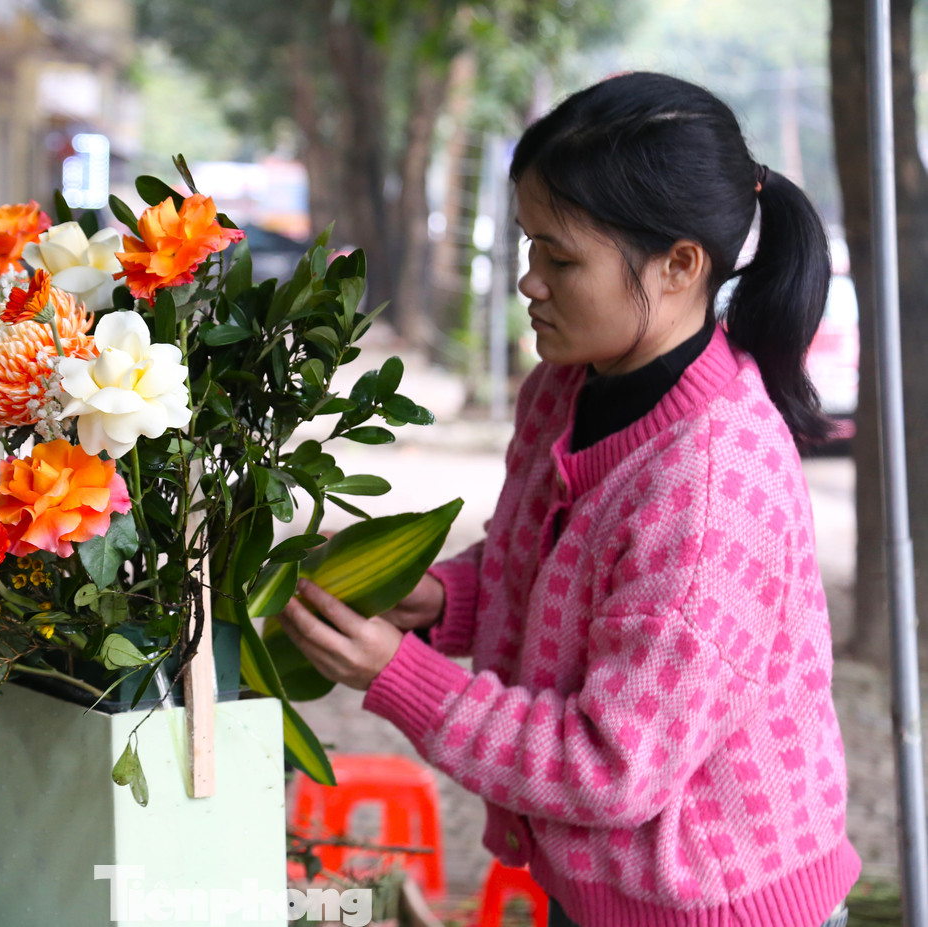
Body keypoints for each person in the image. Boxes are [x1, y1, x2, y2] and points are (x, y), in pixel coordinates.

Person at [278, 72, 859, 927]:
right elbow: (553, 569)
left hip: (716, 908)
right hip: (595, 891)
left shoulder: (707, 488)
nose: (529, 282)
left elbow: (611, 763)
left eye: (562, 258)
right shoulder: (564, 387)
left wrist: (399, 675)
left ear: (681, 265)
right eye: (528, 247)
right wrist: (447, 599)